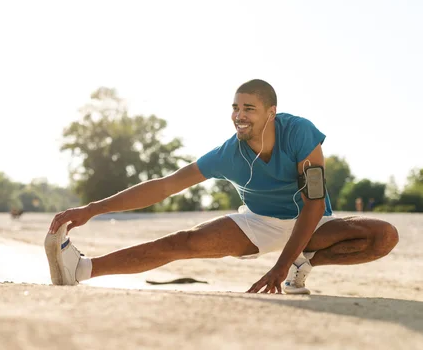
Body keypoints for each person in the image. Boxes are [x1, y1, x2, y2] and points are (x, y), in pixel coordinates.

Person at [45, 79, 399, 294]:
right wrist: (92, 209)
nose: (239, 115)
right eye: (235, 108)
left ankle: (301, 265)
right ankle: (82, 269)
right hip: (259, 222)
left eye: (249, 108)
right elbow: (165, 186)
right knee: (181, 242)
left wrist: (281, 265)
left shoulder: (300, 134)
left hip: (313, 222)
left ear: (271, 112)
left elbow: (314, 204)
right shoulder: (227, 154)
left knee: (382, 235)